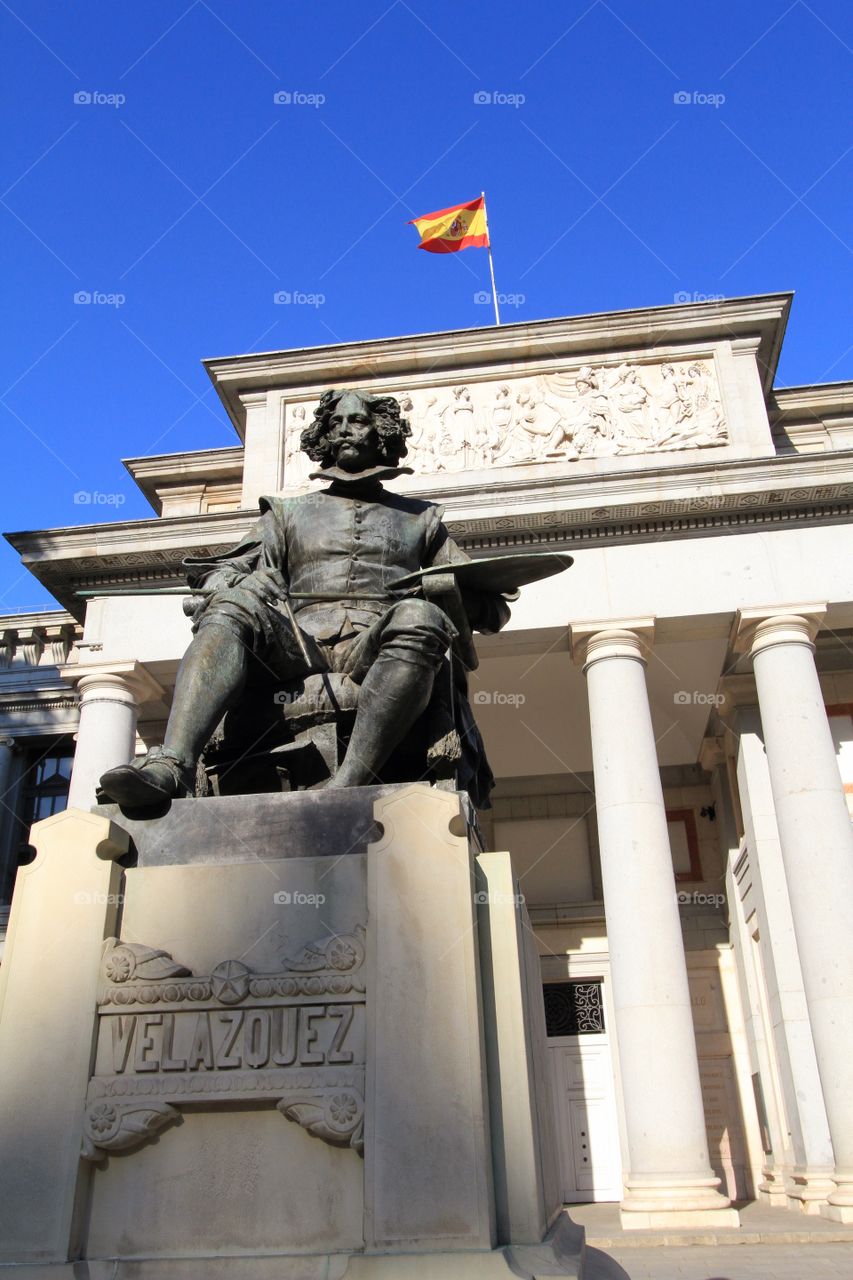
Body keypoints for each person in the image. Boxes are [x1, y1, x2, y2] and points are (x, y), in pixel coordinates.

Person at [99, 389, 511, 809]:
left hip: (376, 646)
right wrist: (235, 586)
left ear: (382, 432)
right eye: (336, 423)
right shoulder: (285, 513)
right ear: (324, 437)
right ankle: (173, 766)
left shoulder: (422, 520)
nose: (346, 429)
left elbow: (493, 611)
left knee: (419, 616)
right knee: (234, 607)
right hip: (296, 644)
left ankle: (350, 779)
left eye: (358, 421)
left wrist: (443, 592)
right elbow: (222, 574)